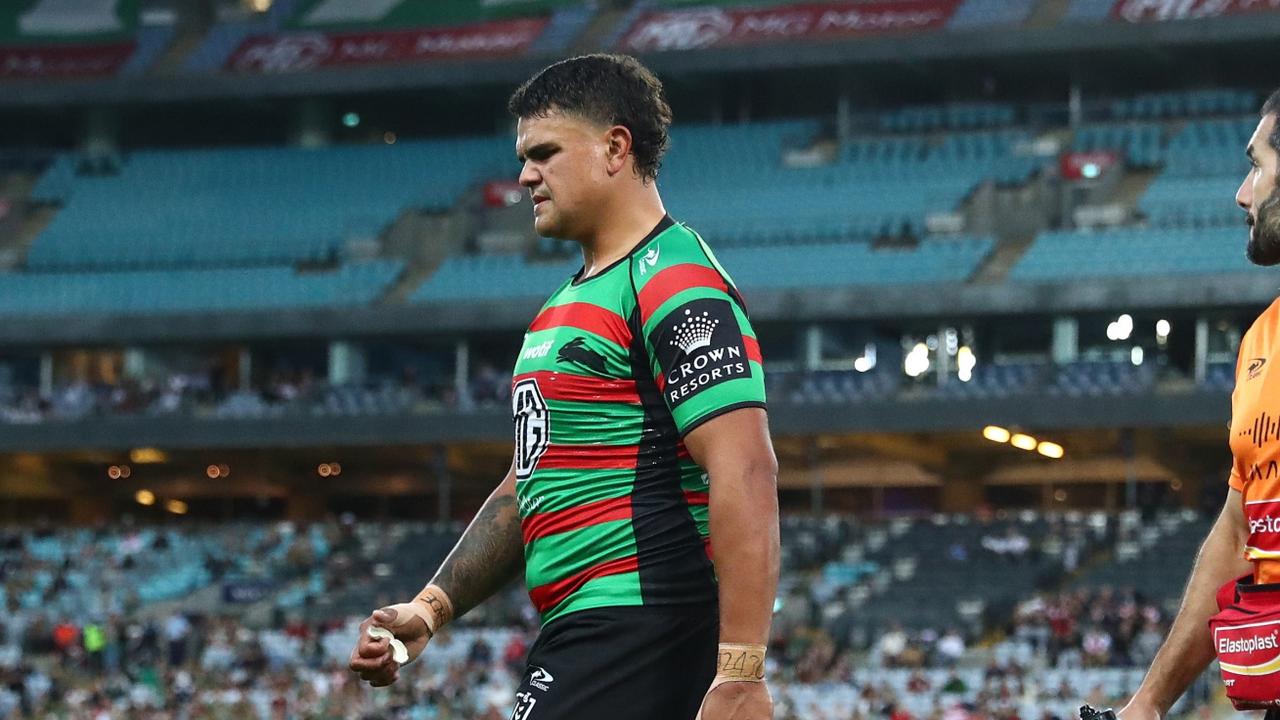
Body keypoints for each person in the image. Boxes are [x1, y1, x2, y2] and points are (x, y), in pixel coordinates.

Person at [348, 53, 780, 720]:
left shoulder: (674, 281)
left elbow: (745, 467)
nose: (524, 176)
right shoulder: (564, 305)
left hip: (643, 622)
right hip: (589, 631)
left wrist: (742, 669)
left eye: (545, 153)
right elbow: (530, 485)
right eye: (524, 156)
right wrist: (430, 610)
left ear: (614, 147)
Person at [1119, 89, 1280, 719]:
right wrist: (1150, 704)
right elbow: (1243, 528)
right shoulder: (1260, 343)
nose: (1243, 194)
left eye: (1259, 165)